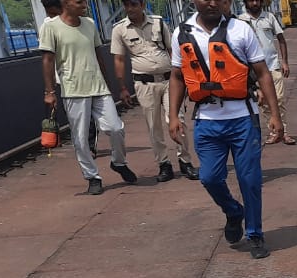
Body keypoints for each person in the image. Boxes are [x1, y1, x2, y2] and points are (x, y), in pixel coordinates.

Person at [169, 0, 282, 259]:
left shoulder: (240, 30)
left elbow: (262, 72)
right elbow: (177, 76)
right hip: (206, 121)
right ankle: (233, 211)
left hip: (243, 118)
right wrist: (173, 116)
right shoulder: (181, 33)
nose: (211, 3)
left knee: (249, 180)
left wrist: (275, 115)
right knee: (209, 177)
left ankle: (255, 234)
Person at [40, 0, 136, 196]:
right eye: (79, 1)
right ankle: (92, 176)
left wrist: (108, 84)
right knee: (81, 138)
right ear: (66, 3)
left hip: (98, 86)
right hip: (73, 89)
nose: (84, 4)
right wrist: (49, 92)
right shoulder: (50, 27)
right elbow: (48, 60)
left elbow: (98, 54)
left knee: (115, 128)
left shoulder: (90, 24)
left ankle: (118, 162)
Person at [111, 0, 196, 182]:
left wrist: (182, 78)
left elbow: (172, 49)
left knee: (177, 119)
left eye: (133, 4)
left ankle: (185, 161)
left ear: (142, 5)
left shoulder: (158, 22)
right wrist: (122, 88)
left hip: (168, 81)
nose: (129, 9)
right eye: (126, 5)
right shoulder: (119, 29)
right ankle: (164, 164)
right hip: (144, 84)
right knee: (153, 126)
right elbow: (119, 59)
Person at [238, 0, 292, 145]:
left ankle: (284, 132)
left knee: (279, 99)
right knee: (264, 103)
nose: (255, 3)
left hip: (272, 65)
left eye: (258, 0)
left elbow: (281, 39)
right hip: (254, 70)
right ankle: (274, 131)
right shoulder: (240, 21)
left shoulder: (269, 17)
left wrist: (284, 62)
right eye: (251, 0)